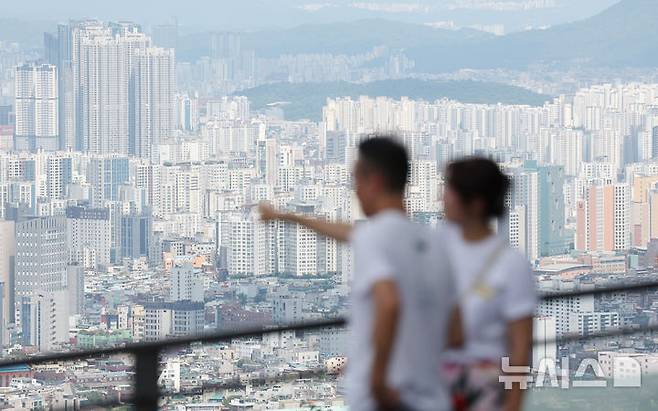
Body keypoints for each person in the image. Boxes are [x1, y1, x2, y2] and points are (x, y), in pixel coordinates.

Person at [259, 136, 456, 411]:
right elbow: (456, 328)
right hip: (432, 394)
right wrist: (286, 217)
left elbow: (389, 302)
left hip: (387, 398)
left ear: (373, 181)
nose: (356, 191)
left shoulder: (374, 238)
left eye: (356, 181)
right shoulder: (432, 242)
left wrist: (377, 383)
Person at [439, 157, 537, 411]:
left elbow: (520, 345)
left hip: (484, 391)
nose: (444, 198)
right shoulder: (437, 247)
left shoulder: (511, 264)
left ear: (476, 203)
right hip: (433, 384)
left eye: (451, 190)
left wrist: (513, 404)